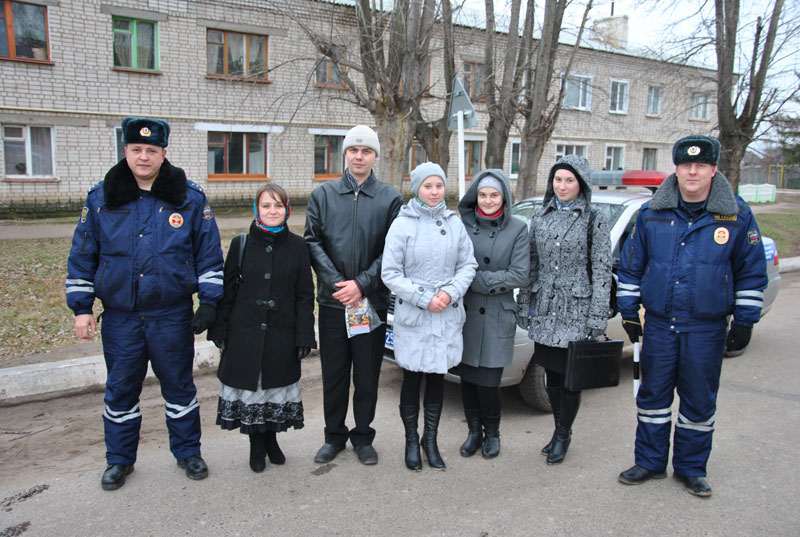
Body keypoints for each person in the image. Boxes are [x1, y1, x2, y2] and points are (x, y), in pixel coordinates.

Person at [65, 117, 224, 490]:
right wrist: (82, 308)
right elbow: (83, 255)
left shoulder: (188, 197)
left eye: (151, 150)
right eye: (136, 149)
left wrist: (210, 301)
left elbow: (209, 255)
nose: (143, 156)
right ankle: (119, 460)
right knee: (120, 391)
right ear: (125, 151)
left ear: (163, 153)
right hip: (122, 317)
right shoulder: (102, 197)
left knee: (180, 388)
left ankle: (188, 452)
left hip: (170, 315)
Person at [616, 135, 768, 497]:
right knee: (652, 397)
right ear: (677, 169)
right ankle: (650, 462)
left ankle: (690, 468)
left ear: (714, 169)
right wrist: (628, 310)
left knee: (699, 401)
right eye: (687, 165)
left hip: (706, 327)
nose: (693, 171)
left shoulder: (735, 215)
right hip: (660, 326)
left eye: (701, 165)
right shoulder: (653, 212)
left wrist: (745, 321)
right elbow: (631, 266)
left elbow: (750, 271)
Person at [304, 125, 403, 465]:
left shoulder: (390, 198)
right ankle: (334, 436)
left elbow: (393, 250)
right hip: (334, 303)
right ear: (344, 154)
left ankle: (363, 436)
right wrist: (339, 285)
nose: (359, 156)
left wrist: (361, 285)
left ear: (375, 156)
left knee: (366, 374)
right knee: (333, 374)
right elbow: (312, 242)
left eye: (366, 151)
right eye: (353, 151)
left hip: (369, 303)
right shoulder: (324, 195)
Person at [210, 183, 316, 473]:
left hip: (282, 331)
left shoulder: (298, 246)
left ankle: (272, 440)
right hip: (245, 332)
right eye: (266, 205)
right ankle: (256, 444)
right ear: (256, 209)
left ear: (287, 210)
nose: (272, 211)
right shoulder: (240, 244)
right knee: (254, 388)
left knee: (274, 388)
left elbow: (305, 294)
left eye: (278, 206)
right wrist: (220, 329)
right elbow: (227, 290)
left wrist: (305, 333)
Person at [516, 154, 612, 465]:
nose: (562, 186)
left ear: (581, 183)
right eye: (558, 179)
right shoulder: (541, 218)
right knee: (552, 377)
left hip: (576, 310)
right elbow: (532, 266)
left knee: (570, 378)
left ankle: (563, 434)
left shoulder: (595, 219)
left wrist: (598, 316)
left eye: (569, 180)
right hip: (546, 309)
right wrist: (524, 305)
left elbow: (601, 270)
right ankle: (558, 429)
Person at [382, 162, 477, 471]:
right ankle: (411, 441)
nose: (434, 192)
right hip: (416, 315)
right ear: (417, 189)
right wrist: (424, 298)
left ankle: (430, 441)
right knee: (412, 377)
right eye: (428, 186)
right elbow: (391, 273)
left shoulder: (454, 223)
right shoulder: (403, 224)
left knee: (437, 377)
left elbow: (468, 265)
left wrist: (449, 293)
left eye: (438, 186)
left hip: (446, 312)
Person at [456, 169, 529, 459]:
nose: (487, 201)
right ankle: (473, 431)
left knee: (488, 382)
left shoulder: (518, 229)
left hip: (498, 313)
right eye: (483, 195)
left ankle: (493, 433)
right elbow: (453, 263)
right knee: (468, 380)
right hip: (466, 314)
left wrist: (478, 280)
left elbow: (520, 274)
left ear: (504, 198)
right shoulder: (462, 225)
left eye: (494, 195)